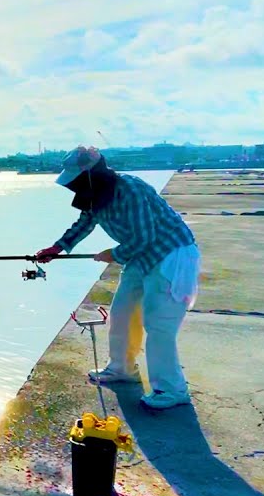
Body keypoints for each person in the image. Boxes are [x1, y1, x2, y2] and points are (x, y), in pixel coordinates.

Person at [35, 146, 202, 410]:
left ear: (92, 173)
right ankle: (122, 368)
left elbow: (144, 235)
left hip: (171, 253)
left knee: (159, 324)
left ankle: (171, 389)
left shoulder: (130, 189)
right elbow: (85, 223)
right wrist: (58, 248)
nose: (73, 185)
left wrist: (113, 253)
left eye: (76, 178)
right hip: (141, 256)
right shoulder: (95, 194)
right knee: (121, 312)